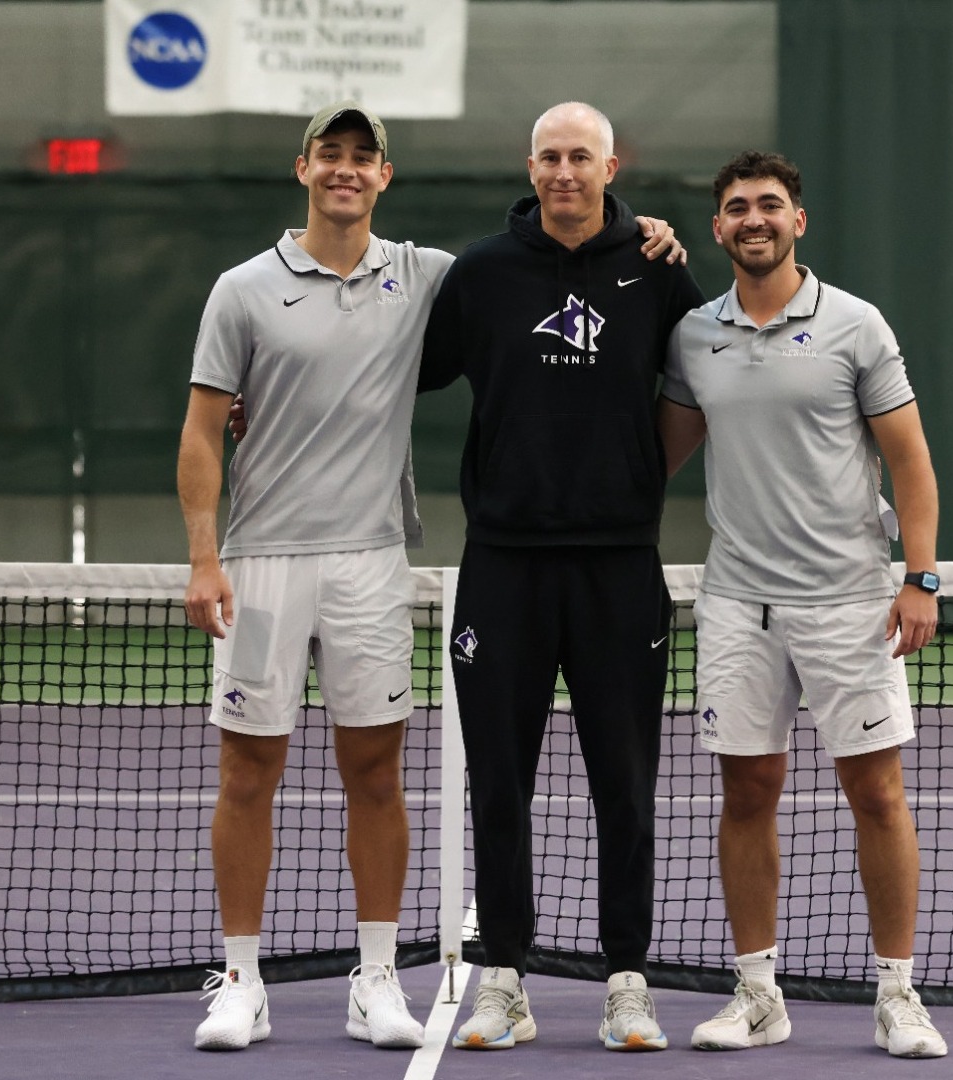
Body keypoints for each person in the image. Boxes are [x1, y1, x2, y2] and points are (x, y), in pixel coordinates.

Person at [176, 101, 682, 1054]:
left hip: (412, 559)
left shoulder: (462, 275)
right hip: (295, 560)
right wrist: (207, 547)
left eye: (362, 158)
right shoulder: (268, 287)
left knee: (402, 774)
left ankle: (405, 981)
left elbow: (678, 359)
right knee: (271, 773)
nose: (346, 170)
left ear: (384, 176)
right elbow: (220, 420)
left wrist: (652, 232)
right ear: (303, 169)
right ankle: (253, 981)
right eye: (331, 155)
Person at [416, 101, 706, 1053]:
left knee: (624, 784)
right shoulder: (482, 274)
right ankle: (504, 976)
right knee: (500, 783)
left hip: (621, 567)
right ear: (528, 165)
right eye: (550, 156)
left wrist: (622, 485)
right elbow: (391, 372)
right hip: (502, 565)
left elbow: (701, 387)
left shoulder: (660, 270)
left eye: (582, 155)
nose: (565, 171)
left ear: (612, 165)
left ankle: (628, 981)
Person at [655, 150, 950, 1058]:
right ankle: (756, 994)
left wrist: (920, 576)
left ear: (798, 221)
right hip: (739, 601)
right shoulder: (693, 336)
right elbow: (653, 457)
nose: (754, 219)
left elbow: (910, 460)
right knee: (746, 790)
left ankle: (898, 995)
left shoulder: (856, 326)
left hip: (850, 601)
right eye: (738, 207)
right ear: (717, 228)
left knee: (877, 794)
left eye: (770, 205)